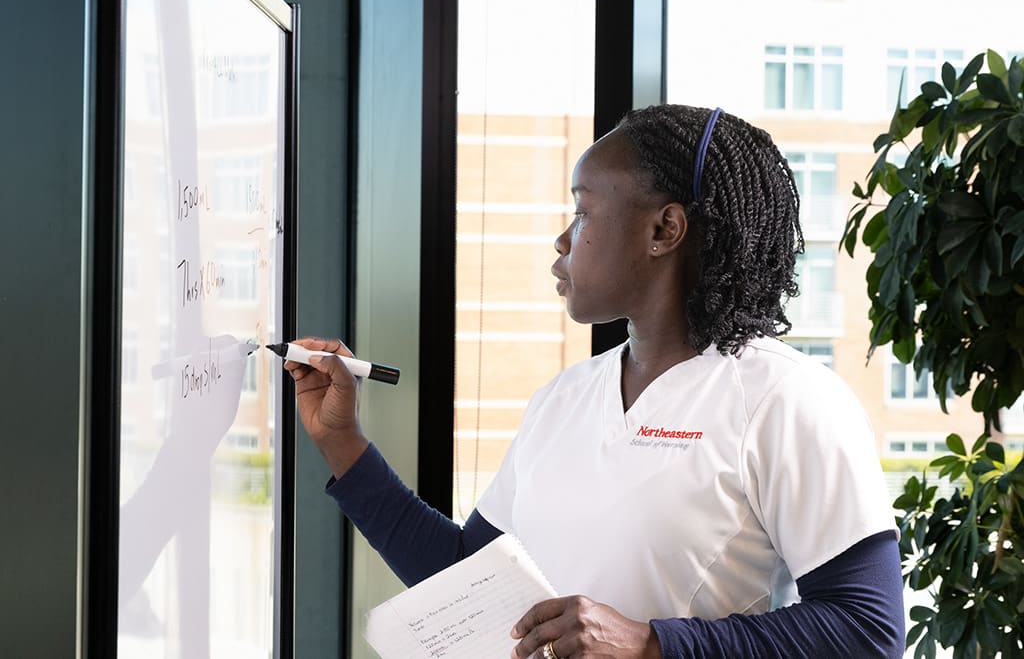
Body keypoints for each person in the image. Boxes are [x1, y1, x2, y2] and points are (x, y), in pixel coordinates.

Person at [286, 104, 905, 658]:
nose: (561, 239)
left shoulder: (788, 399)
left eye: (582, 211)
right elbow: (466, 583)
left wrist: (651, 643)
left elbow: (868, 629)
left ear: (665, 229)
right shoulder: (563, 399)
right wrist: (343, 444)